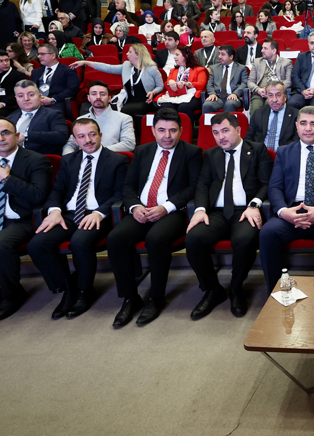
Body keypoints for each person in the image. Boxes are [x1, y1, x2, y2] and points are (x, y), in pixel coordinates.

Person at [106, 108, 202, 327]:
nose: (167, 136)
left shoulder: (192, 152)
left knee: (156, 239)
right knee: (116, 239)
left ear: (181, 130)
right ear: (153, 130)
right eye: (161, 130)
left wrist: (165, 207)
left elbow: (194, 187)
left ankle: (156, 298)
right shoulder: (142, 151)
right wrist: (134, 207)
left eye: (172, 130)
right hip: (142, 209)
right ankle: (130, 298)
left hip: (173, 211)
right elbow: (129, 185)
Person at [28, 118, 128, 319]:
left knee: (79, 242)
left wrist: (99, 212)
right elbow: (57, 189)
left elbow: (121, 193)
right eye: (81, 136)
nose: (88, 140)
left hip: (98, 215)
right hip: (69, 214)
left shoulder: (117, 160)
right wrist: (54, 210)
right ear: (75, 140)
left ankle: (84, 291)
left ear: (100, 135)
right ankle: (68, 289)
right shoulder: (68, 161)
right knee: (37, 245)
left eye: (92, 134)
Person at [185, 112, 272, 319]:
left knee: (244, 239)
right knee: (194, 239)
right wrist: (200, 210)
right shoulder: (211, 154)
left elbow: (266, 183)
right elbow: (203, 185)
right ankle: (212, 289)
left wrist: (254, 204)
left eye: (225, 130)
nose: (220, 137)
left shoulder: (257, 149)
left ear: (238, 130)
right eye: (216, 133)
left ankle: (235, 287)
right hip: (216, 212)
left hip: (245, 210)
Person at [258, 106, 314, 291]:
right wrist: (283, 212)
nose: (308, 128)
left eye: (313, 124)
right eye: (303, 123)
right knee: (268, 232)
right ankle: (275, 291)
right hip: (291, 211)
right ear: (296, 126)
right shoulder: (284, 152)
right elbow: (274, 187)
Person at [0, 117, 52, 319]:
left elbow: (39, 196)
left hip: (23, 219)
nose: (1, 138)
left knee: (1, 244)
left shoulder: (36, 160)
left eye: (5, 133)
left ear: (16, 136)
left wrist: (6, 178)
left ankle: (11, 295)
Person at [77, 43, 162, 118]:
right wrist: (86, 62)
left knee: (123, 110)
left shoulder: (152, 69)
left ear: (137, 55)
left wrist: (153, 92)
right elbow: (109, 68)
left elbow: (160, 86)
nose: (127, 54)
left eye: (130, 52)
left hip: (147, 101)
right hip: (128, 101)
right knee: (109, 107)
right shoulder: (126, 66)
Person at [62, 80, 135, 155]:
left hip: (109, 158)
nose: (98, 97)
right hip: (84, 159)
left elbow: (129, 144)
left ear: (109, 98)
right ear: (88, 98)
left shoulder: (124, 118)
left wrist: (98, 152)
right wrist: (69, 157)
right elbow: (71, 144)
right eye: (94, 94)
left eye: (102, 94)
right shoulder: (80, 120)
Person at [155, 46, 208, 119]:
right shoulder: (173, 70)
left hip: (192, 94)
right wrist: (170, 82)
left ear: (186, 56)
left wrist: (187, 84)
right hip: (176, 94)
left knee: (184, 107)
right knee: (165, 106)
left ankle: (186, 126)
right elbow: (166, 85)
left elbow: (202, 84)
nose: (174, 57)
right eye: (174, 55)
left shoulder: (199, 70)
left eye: (177, 55)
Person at [29, 43, 80, 117]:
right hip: (36, 103)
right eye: (38, 54)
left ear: (53, 55)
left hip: (56, 103)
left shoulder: (67, 70)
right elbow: (30, 88)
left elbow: (72, 89)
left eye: (42, 54)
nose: (39, 56)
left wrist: (52, 99)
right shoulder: (36, 72)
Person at [245, 81, 299, 151]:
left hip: (284, 154)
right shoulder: (258, 113)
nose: (274, 100)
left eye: (278, 95)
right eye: (270, 95)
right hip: (260, 154)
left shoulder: (296, 115)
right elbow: (249, 138)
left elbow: (297, 141)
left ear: (285, 97)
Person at [248, 38, 293, 112]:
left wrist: (274, 90)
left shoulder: (286, 63)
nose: (262, 50)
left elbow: (288, 81)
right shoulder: (257, 62)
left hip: (276, 94)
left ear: (274, 51)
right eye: (262, 48)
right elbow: (250, 81)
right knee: (255, 108)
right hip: (260, 93)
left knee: (269, 106)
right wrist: (258, 89)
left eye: (265, 48)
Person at [203, 45, 247, 113]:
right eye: (219, 54)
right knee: (207, 105)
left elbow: (244, 83)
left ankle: (229, 121)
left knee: (230, 104)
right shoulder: (214, 68)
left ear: (231, 57)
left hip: (233, 96)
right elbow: (210, 84)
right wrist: (212, 94)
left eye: (223, 54)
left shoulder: (241, 68)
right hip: (218, 97)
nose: (219, 56)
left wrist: (235, 93)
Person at [0, 52, 24, 117]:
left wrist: (2, 103)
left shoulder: (19, 76)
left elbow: (19, 94)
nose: (5, 63)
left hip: (10, 107)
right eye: (1, 61)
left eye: (7, 60)